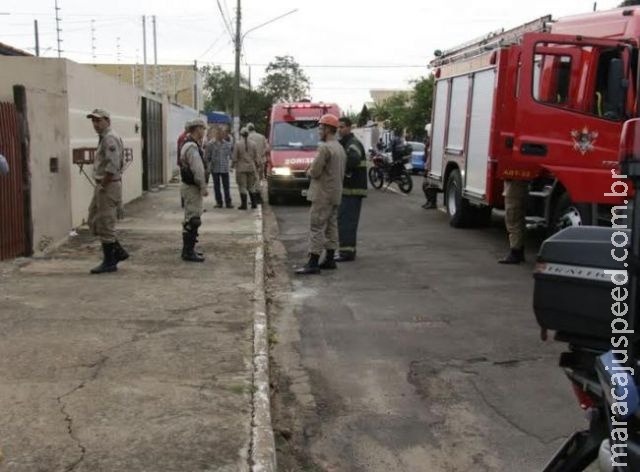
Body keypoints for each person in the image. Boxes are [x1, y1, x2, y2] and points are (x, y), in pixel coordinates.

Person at [295, 114, 346, 275]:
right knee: (331, 226)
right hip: (335, 193)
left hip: (322, 194)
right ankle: (330, 259)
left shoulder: (324, 148)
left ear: (327, 129)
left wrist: (309, 171)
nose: (319, 131)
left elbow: (316, 171)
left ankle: (313, 262)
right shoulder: (339, 147)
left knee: (316, 226)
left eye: (321, 128)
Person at [85, 108, 129, 274]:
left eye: (99, 120)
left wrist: (103, 184)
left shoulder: (110, 138)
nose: (95, 124)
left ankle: (110, 260)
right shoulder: (104, 138)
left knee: (105, 222)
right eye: (93, 121)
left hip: (108, 185)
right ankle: (117, 251)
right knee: (94, 219)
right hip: (104, 184)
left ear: (107, 121)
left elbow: (112, 165)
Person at [335, 117, 367, 263]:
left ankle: (346, 253)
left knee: (346, 222)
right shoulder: (345, 143)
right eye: (338, 127)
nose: (340, 130)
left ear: (349, 128)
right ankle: (347, 251)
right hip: (348, 191)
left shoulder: (352, 144)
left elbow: (353, 159)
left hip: (352, 191)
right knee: (345, 221)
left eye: (342, 127)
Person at [179, 118, 209, 262]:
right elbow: (198, 170)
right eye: (203, 129)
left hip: (189, 186)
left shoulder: (190, 144)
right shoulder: (191, 147)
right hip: (192, 187)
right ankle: (188, 251)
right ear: (197, 129)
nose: (204, 131)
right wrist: (203, 186)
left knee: (190, 218)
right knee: (193, 219)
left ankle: (189, 249)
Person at [499, 179, 528, 264]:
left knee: (513, 219)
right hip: (517, 187)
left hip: (514, 188)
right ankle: (519, 251)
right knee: (518, 219)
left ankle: (515, 253)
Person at [231, 127, 260, 210]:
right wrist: (258, 166)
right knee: (251, 186)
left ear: (241, 134)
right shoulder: (253, 144)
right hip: (251, 167)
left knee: (242, 186)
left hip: (241, 168)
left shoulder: (238, 144)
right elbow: (256, 157)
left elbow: (234, 157)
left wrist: (232, 166)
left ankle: (244, 205)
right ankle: (254, 203)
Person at [205, 126, 233, 209]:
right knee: (216, 186)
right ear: (216, 134)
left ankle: (228, 202)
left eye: (223, 133)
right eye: (219, 133)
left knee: (226, 186)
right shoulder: (210, 144)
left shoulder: (227, 144)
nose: (221, 135)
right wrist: (208, 165)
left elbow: (230, 156)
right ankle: (219, 202)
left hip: (224, 168)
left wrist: (231, 165)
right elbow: (207, 157)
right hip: (215, 168)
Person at [421, 125, 438, 210]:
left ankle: (432, 203)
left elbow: (429, 158)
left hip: (430, 167)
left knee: (427, 186)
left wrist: (426, 169)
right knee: (428, 186)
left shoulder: (431, 143)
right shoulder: (429, 142)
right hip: (429, 167)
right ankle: (430, 202)